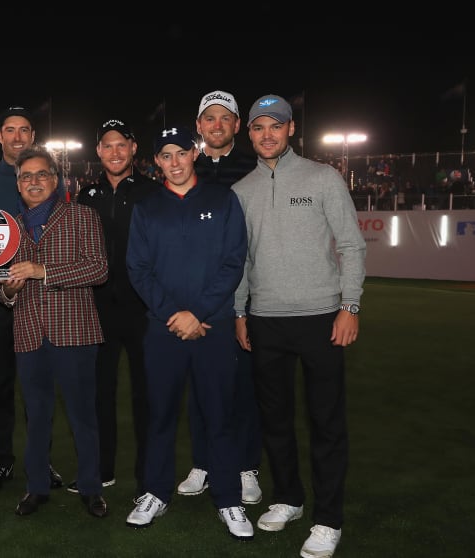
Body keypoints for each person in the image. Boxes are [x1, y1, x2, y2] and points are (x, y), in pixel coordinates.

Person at [233, 94, 366, 558]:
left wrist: (350, 306)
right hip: (265, 321)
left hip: (321, 319)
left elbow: (351, 244)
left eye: (276, 125)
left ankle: (328, 520)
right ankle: (288, 497)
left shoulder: (323, 177)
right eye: (258, 127)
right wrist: (240, 312)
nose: (266, 134)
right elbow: (240, 261)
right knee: (274, 421)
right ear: (248, 133)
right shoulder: (242, 190)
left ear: (291, 129)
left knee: (326, 422)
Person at [124, 125, 253, 541]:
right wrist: (174, 315)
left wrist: (196, 313)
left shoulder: (223, 199)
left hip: (211, 327)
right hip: (163, 331)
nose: (174, 162)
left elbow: (234, 263)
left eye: (181, 153)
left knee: (219, 415)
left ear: (193, 153)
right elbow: (138, 269)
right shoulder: (147, 208)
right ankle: (155, 492)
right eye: (166, 156)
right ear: (156, 161)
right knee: (160, 416)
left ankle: (228, 499)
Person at [0, 146, 109, 519]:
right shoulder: (8, 227)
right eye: (26, 176)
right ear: (18, 184)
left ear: (55, 181)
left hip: (74, 333)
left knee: (82, 416)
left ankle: (91, 488)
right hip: (29, 334)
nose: (34, 182)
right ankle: (36, 487)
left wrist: (42, 271)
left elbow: (98, 269)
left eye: (41, 174)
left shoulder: (81, 216)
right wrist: (8, 290)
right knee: (36, 416)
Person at [177, 90, 263, 505]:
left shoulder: (256, 167)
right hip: (194, 298)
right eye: (208, 118)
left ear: (236, 125)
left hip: (243, 296)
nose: (215, 125)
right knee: (199, 384)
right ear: (198, 125)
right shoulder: (183, 166)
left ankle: (246, 465)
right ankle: (204, 461)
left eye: (224, 118)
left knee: (242, 387)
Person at [0, 106, 63, 492]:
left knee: (39, 386)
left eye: (24, 130)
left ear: (32, 136)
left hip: (41, 299)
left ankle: (41, 461)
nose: (16, 137)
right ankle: (1, 460)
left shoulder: (51, 181)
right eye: (9, 130)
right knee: (0, 385)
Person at [72, 118, 159, 497]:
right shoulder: (85, 196)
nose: (115, 152)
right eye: (107, 145)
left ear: (134, 147)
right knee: (99, 395)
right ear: (98, 151)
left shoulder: (154, 192)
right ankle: (101, 470)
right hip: (97, 311)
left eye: (121, 144)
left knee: (147, 395)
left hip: (143, 311)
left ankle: (148, 477)